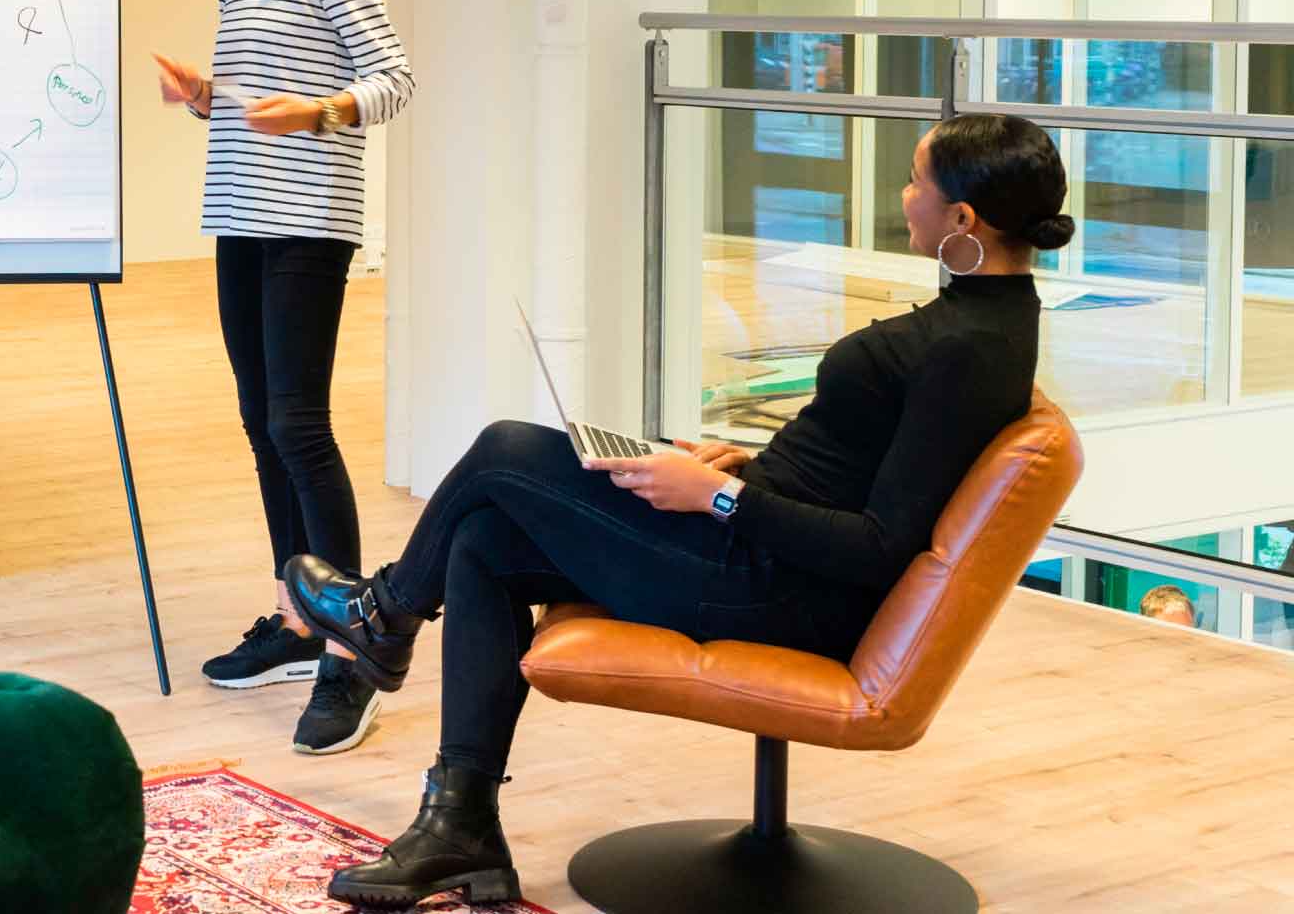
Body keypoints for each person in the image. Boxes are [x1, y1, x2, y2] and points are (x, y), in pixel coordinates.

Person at [280, 113, 1071, 908]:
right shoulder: (985, 323)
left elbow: (878, 545)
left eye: (914, 181)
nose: (903, 196)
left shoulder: (970, 347)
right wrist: (736, 468)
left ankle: (383, 618)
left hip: (778, 588)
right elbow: (864, 470)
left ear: (963, 220)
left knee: (506, 449)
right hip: (756, 545)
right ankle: (460, 827)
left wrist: (720, 497)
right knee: (485, 537)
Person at [150, 0, 416, 757]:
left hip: (310, 219)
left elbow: (392, 77)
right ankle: (299, 618)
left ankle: (354, 649)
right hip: (241, 213)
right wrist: (210, 95)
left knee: (298, 423)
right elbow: (269, 91)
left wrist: (319, 111)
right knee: (261, 422)